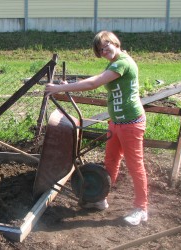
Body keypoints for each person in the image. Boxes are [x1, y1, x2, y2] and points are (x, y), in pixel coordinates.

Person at [45, 31, 148, 226]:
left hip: (131, 123)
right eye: (100, 49)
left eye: (106, 45)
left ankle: (141, 208)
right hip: (116, 122)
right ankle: (101, 198)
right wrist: (71, 85)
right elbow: (98, 77)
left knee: (135, 166)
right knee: (110, 161)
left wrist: (60, 89)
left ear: (115, 42)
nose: (104, 50)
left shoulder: (123, 62)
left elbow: (94, 83)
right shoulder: (113, 64)